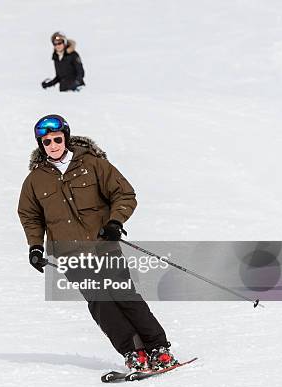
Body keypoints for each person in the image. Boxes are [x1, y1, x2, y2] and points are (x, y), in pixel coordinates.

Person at [17, 114, 178, 372]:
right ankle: (133, 352)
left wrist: (115, 222)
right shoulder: (36, 180)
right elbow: (30, 215)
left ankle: (159, 347)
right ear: (41, 145)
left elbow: (124, 194)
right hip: (70, 254)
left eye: (57, 139)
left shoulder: (93, 165)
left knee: (124, 295)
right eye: (46, 142)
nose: (53, 145)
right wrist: (35, 246)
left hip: (103, 245)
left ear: (66, 138)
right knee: (101, 303)